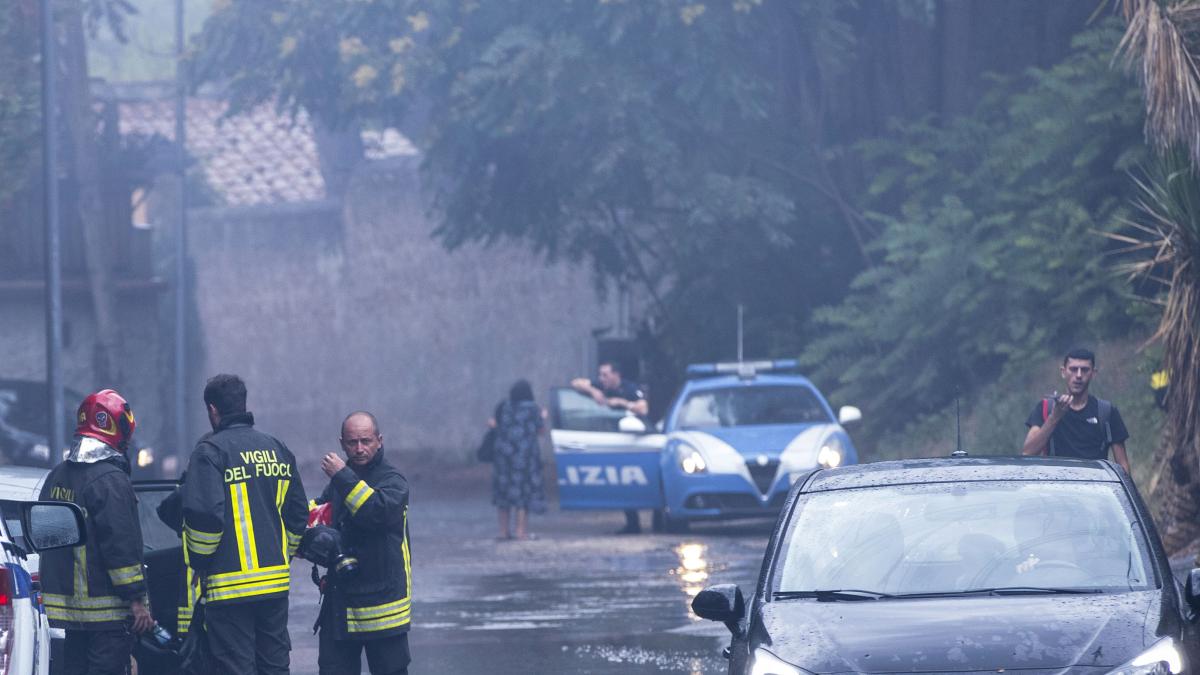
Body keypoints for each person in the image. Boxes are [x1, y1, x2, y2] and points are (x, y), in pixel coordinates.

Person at [181, 374, 308, 675]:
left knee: (236, 667)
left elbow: (206, 518)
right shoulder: (276, 447)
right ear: (243, 403)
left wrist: (200, 561)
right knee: (274, 665)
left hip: (229, 588)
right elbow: (299, 512)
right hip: (275, 584)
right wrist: (283, 554)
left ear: (213, 410)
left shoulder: (209, 452)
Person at [39, 389, 154, 675]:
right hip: (108, 614)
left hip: (70, 615)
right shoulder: (110, 480)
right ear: (118, 429)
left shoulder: (57, 476)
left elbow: (45, 536)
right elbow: (121, 548)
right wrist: (137, 600)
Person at [314, 411, 413, 675]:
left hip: (382, 607)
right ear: (341, 443)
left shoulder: (392, 480)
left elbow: (376, 513)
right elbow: (320, 516)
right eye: (352, 442)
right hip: (342, 604)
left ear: (379, 440)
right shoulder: (339, 482)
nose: (359, 448)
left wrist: (342, 476)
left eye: (366, 441)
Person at [1022, 347, 1131, 474]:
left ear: (1093, 373)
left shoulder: (1106, 412)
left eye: (1084, 370)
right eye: (1073, 369)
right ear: (1063, 372)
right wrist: (1054, 417)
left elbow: (1122, 465)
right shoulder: (1046, 408)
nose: (1078, 375)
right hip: (1056, 487)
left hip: (1096, 488)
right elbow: (1028, 453)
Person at [571, 361, 648, 533]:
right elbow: (575, 383)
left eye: (605, 375)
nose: (601, 378)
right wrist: (594, 391)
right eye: (600, 375)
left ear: (616, 375)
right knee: (621, 483)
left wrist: (621, 402)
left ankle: (645, 522)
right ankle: (632, 523)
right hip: (611, 439)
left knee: (633, 482)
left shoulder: (629, 388)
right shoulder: (601, 385)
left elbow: (643, 408)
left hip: (632, 440)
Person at [489, 380, 547, 540]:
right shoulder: (533, 409)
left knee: (503, 494)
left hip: (504, 457)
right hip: (525, 457)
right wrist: (543, 417)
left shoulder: (503, 406)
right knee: (523, 493)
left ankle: (503, 531)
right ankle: (521, 531)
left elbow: (494, 424)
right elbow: (540, 430)